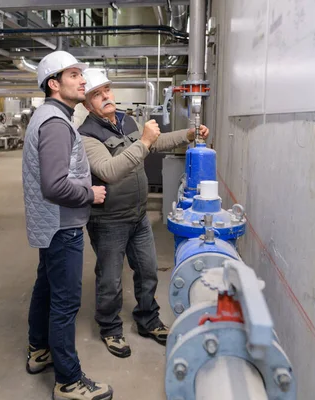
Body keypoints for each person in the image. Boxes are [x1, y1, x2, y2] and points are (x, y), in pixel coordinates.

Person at [77, 68, 209, 358]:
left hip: (137, 216)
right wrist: (146, 141)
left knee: (148, 271)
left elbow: (155, 143)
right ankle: (110, 328)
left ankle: (148, 320)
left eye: (106, 90)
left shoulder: (125, 120)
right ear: (87, 104)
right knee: (110, 280)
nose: (105, 97)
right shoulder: (86, 137)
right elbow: (110, 171)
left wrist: (187, 134)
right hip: (109, 220)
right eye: (96, 95)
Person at [21, 52, 112, 400]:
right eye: (74, 75)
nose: (83, 81)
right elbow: (55, 186)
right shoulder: (56, 124)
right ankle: (68, 380)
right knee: (65, 303)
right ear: (54, 84)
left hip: (51, 224)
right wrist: (90, 192)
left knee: (45, 288)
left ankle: (39, 350)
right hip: (63, 227)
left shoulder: (50, 117)